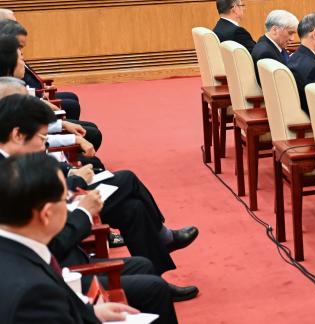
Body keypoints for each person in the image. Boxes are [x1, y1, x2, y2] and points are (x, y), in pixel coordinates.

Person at [0, 94, 199, 275]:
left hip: (61, 206)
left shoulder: (11, 155)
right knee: (127, 179)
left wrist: (70, 171)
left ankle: (159, 275)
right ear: (17, 134)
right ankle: (163, 237)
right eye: (42, 138)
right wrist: (79, 187)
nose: (44, 145)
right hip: (59, 225)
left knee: (133, 209)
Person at [0, 152, 140, 323]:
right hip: (74, 271)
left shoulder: (16, 247)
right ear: (47, 214)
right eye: (66, 198)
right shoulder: (34, 293)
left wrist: (92, 312)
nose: (70, 202)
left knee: (133, 209)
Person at [0, 22, 103, 149]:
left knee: (89, 129)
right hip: (37, 150)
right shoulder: (8, 92)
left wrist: (63, 126)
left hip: (39, 140)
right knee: (93, 133)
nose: (23, 58)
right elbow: (32, 135)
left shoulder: (12, 85)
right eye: (20, 58)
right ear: (9, 63)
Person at [0, 10, 83, 120]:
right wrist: (39, 97)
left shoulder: (13, 51)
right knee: (72, 106)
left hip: (32, 97)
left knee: (71, 98)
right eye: (12, 22)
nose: (16, 25)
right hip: (25, 109)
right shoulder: (7, 56)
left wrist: (43, 89)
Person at [252, 10, 298, 84]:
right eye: (290, 33)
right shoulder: (266, 54)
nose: (292, 39)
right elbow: (280, 84)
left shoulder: (268, 43)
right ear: (274, 30)